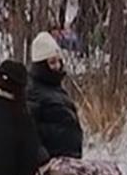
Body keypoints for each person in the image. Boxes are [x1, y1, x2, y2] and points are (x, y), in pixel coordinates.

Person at [27, 31, 84, 159]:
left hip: (67, 162)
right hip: (51, 165)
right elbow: (28, 130)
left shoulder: (56, 88)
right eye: (52, 62)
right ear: (40, 64)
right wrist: (42, 158)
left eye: (59, 61)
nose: (57, 66)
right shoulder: (32, 91)